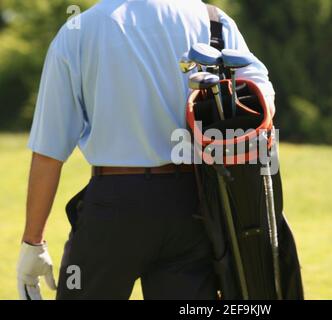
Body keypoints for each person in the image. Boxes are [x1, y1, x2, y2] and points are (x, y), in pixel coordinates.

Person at [16, 0, 275, 300]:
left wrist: (33, 242)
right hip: (195, 207)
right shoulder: (214, 21)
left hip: (113, 205)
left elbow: (50, 150)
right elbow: (261, 100)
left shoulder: (78, 30)